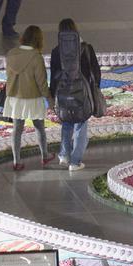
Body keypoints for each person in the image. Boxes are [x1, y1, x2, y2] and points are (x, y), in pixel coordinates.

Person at [50, 18, 101, 171]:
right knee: (81, 124)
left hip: (63, 93)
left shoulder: (56, 51)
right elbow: (95, 72)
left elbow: (53, 76)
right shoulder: (86, 48)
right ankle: (75, 162)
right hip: (82, 93)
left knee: (66, 122)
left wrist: (53, 95)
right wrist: (95, 89)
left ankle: (64, 155)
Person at [4, 25, 55, 171]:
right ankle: (45, 155)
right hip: (33, 97)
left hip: (15, 97)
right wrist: (49, 99)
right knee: (39, 127)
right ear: (38, 40)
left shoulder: (11, 54)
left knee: (17, 129)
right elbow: (41, 82)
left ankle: (16, 161)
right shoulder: (36, 57)